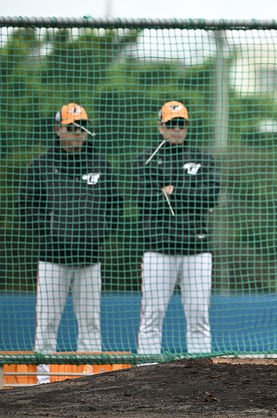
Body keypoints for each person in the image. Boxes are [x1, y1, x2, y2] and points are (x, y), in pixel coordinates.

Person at [17, 103, 123, 383]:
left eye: (81, 128)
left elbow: (116, 207)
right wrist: (52, 234)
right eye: (71, 128)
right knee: (47, 323)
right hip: (52, 259)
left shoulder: (101, 164)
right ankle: (41, 382)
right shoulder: (40, 166)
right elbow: (25, 207)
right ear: (58, 130)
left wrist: (98, 235)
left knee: (90, 323)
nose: (77, 133)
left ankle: (89, 382)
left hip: (90, 259)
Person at [133, 101, 220, 356]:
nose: (176, 129)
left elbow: (211, 196)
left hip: (197, 251)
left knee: (198, 318)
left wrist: (174, 192)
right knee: (152, 317)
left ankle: (200, 371)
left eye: (181, 124)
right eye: (171, 124)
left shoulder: (202, 158)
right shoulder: (145, 160)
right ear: (161, 127)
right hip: (158, 250)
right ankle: (147, 372)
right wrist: (191, 198)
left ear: (187, 127)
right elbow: (143, 198)